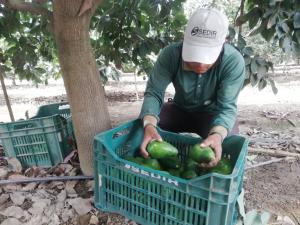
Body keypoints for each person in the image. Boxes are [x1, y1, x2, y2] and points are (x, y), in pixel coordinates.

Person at [139, 8, 245, 168]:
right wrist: (149, 124)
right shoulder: (170, 55)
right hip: (179, 109)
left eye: (207, 57)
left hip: (212, 115)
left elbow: (227, 108)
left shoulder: (233, 61)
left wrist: (217, 134)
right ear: (185, 39)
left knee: (228, 139)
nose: (200, 64)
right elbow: (154, 92)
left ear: (223, 42)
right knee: (142, 130)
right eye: (194, 56)